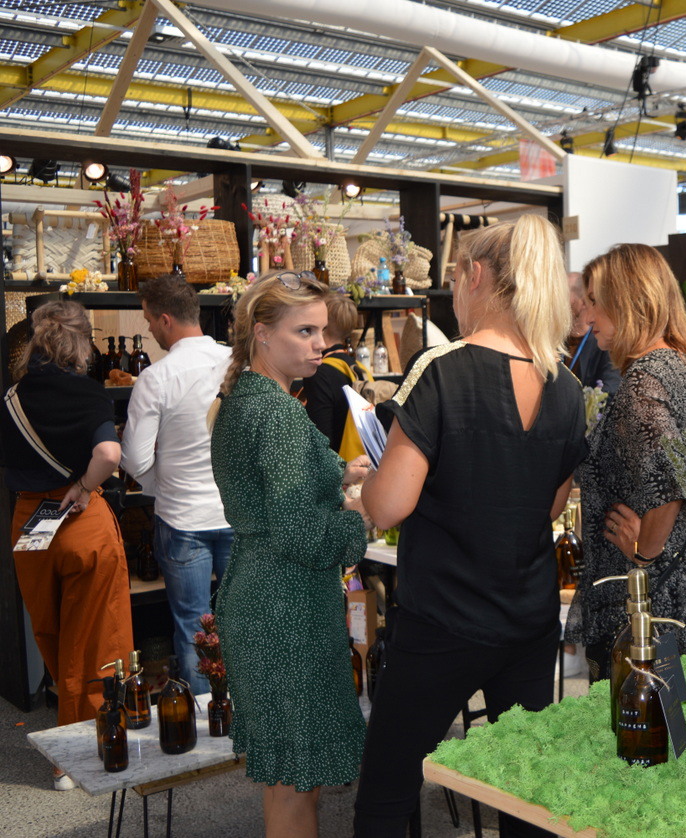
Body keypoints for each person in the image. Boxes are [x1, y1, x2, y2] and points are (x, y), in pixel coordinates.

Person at [353, 216, 585, 837]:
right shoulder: (565, 384)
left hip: (442, 619)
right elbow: (551, 506)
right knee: (527, 798)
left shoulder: (441, 368)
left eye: (455, 280)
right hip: (527, 620)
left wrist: (369, 483)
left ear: (473, 275)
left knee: (385, 793)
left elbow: (388, 507)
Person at [209, 271, 371, 837]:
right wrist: (364, 515)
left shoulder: (247, 398)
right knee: (296, 785)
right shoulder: (275, 413)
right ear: (261, 333)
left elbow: (274, 496)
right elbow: (304, 535)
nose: (320, 344)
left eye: (322, 331)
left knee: (289, 779)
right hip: (286, 609)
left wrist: (338, 476)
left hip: (263, 595)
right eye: (305, 331)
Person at [565, 243, 686, 678]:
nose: (586, 315)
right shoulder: (685, 369)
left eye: (594, 301)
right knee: (684, 714)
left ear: (626, 301)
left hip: (651, 607)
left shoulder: (645, 382)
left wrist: (644, 555)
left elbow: (670, 481)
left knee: (647, 712)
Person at [1, 300, 132, 790]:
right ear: (82, 343)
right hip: (80, 519)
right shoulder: (89, 393)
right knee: (93, 637)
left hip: (30, 524)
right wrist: (82, 484)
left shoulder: (12, 398)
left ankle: (70, 737)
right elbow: (108, 454)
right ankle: (82, 749)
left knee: (52, 633)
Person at [121, 274, 232, 695]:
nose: (149, 328)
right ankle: (248, 711)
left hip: (182, 517)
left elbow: (135, 458)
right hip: (234, 512)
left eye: (149, 319)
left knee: (192, 625)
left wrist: (159, 484)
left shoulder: (157, 377)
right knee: (242, 618)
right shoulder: (236, 362)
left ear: (166, 319)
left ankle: (206, 721)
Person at [303, 292, 372, 459]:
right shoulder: (359, 369)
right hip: (363, 461)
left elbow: (320, 439)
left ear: (323, 324)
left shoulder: (319, 372)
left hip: (338, 467)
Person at [565, 270, 621, 394]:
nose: (556, 303)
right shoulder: (556, 341)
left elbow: (608, 392)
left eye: (562, 295)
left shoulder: (604, 343)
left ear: (583, 302)